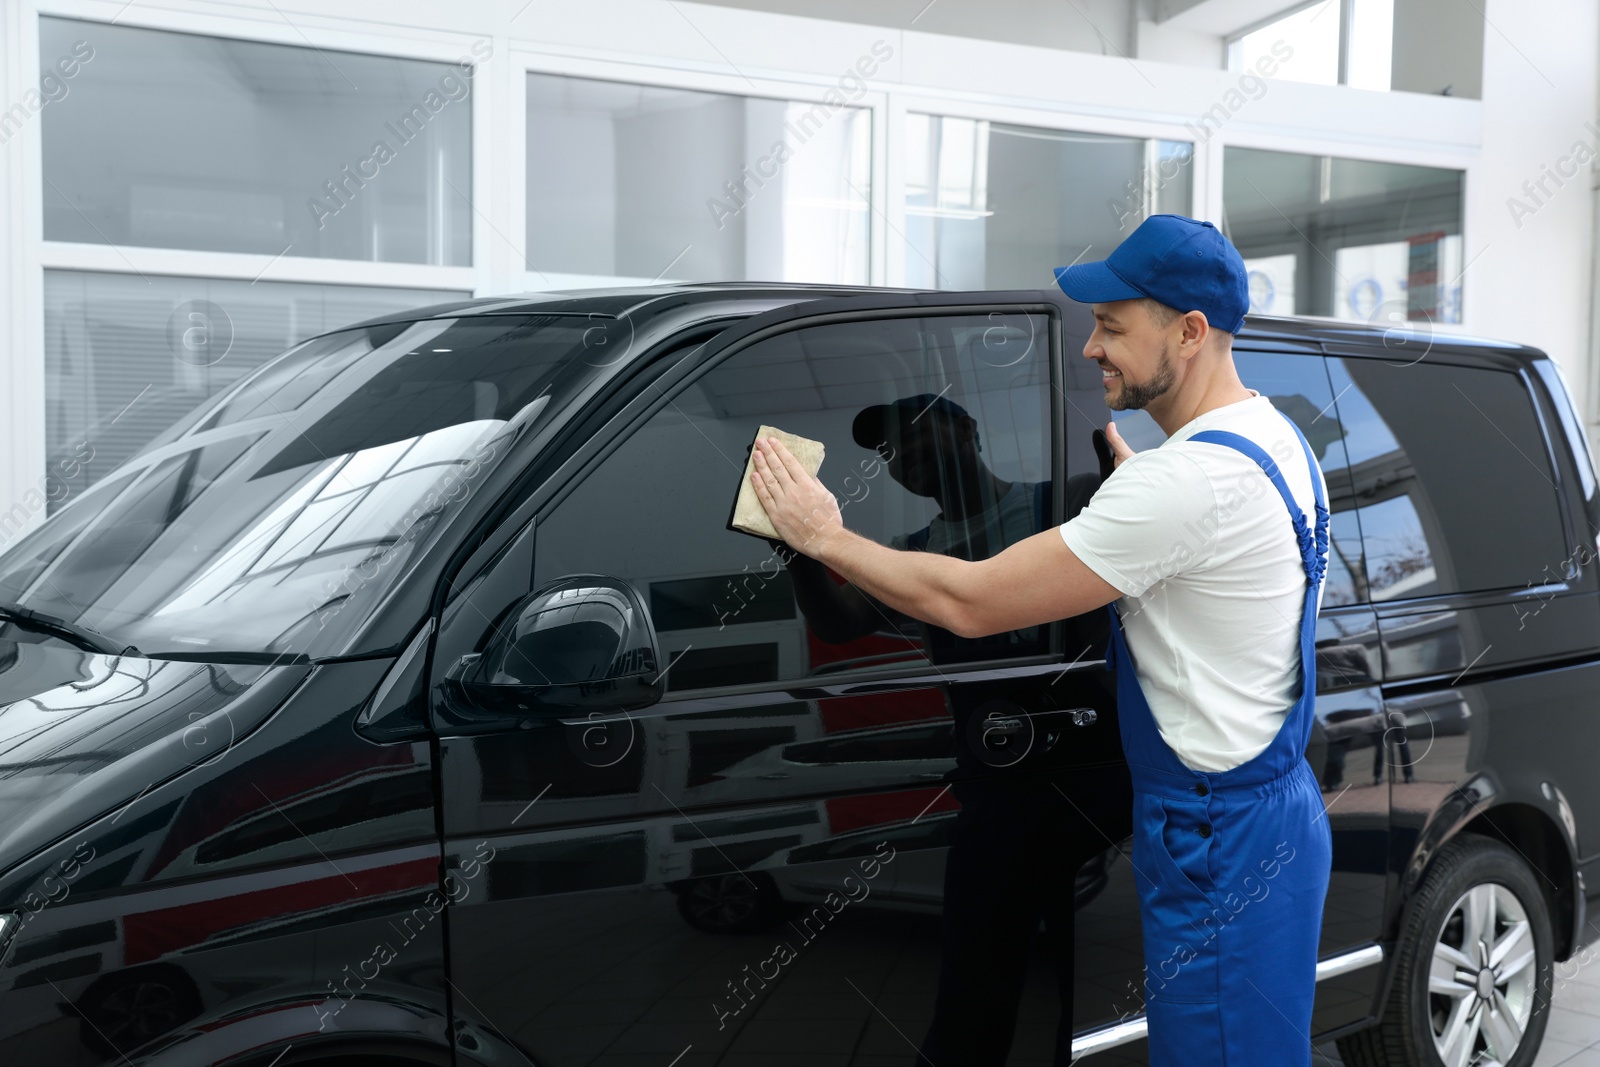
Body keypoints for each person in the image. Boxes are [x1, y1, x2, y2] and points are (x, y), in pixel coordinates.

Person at [748, 213, 1334, 1067]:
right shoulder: (1274, 440)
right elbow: (1210, 544)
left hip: (1215, 830)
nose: (1092, 347)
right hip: (1277, 809)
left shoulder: (1183, 484)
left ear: (1191, 331)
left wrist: (825, 534)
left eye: (1112, 326)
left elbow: (975, 602)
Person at [771, 393, 1109, 1065]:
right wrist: (794, 545)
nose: (907, 457)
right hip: (996, 796)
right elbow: (839, 622)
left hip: (1095, 784)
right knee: (970, 1000)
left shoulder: (1069, 502)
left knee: (1091, 986)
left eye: (920, 435)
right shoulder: (915, 552)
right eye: (891, 454)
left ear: (966, 427)